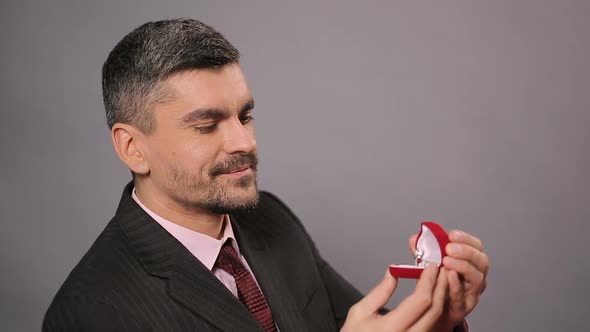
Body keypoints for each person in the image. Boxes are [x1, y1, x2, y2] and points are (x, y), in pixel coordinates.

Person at [43, 18, 488, 331]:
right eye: (206, 125)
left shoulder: (271, 218)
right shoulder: (90, 312)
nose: (244, 142)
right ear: (132, 147)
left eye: (245, 116)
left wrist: (437, 316)